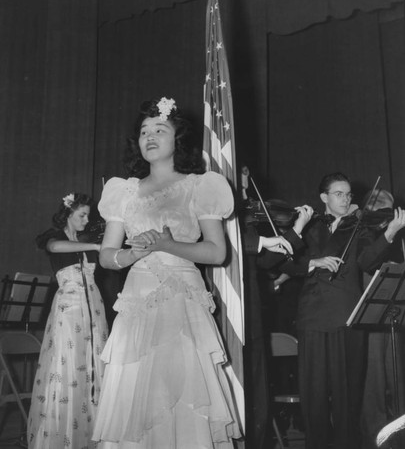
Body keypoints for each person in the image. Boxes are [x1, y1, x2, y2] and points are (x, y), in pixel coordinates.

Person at [92, 97, 242, 448]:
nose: (150, 136)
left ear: (179, 140)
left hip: (182, 301)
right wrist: (132, 253)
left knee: (183, 388)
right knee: (137, 388)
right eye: (144, 131)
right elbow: (106, 256)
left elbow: (217, 252)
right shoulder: (123, 192)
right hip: (138, 300)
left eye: (160, 129)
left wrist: (167, 245)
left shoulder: (200, 185)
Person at [282, 172, 405, 449]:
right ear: (324, 197)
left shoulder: (359, 228)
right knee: (314, 398)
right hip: (312, 318)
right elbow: (288, 264)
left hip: (347, 319)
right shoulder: (309, 225)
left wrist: (390, 232)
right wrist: (314, 260)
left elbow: (366, 262)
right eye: (339, 194)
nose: (346, 199)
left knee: (348, 398)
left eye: (349, 194)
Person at [27, 192, 109, 449]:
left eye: (88, 215)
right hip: (70, 308)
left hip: (93, 309)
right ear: (68, 215)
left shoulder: (83, 243)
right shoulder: (55, 237)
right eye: (81, 215)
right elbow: (54, 248)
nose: (86, 220)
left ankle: (92, 433)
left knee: (94, 364)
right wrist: (95, 246)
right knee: (68, 366)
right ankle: (62, 437)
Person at [241, 201, 313, 448]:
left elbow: (266, 261)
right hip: (236, 316)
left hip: (252, 318)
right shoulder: (233, 221)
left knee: (258, 400)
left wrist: (297, 228)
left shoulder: (248, 223)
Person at [360, 189, 405, 449]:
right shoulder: (366, 232)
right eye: (380, 209)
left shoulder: (398, 234)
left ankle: (398, 436)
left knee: (397, 377)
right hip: (372, 314)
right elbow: (366, 263)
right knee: (374, 380)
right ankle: (374, 439)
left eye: (389, 208)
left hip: (395, 313)